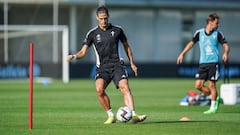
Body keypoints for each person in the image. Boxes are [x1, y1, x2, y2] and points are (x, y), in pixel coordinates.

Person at [67, 6, 147, 124]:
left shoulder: (118, 30)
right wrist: (73, 56)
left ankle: (134, 115)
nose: (103, 21)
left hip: (117, 65)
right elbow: (83, 52)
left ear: (108, 17)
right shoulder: (92, 34)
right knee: (99, 90)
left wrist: (132, 63)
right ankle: (111, 116)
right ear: (97, 18)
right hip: (102, 68)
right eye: (101, 19)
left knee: (125, 88)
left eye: (105, 18)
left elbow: (126, 46)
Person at [177, 13, 230, 114]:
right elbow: (191, 44)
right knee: (198, 85)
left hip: (213, 63)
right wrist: (182, 54)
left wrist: (226, 53)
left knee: (212, 85)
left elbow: (226, 45)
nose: (218, 25)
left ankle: (213, 107)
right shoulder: (199, 33)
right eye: (216, 23)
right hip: (203, 63)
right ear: (210, 22)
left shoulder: (218, 34)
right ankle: (215, 97)